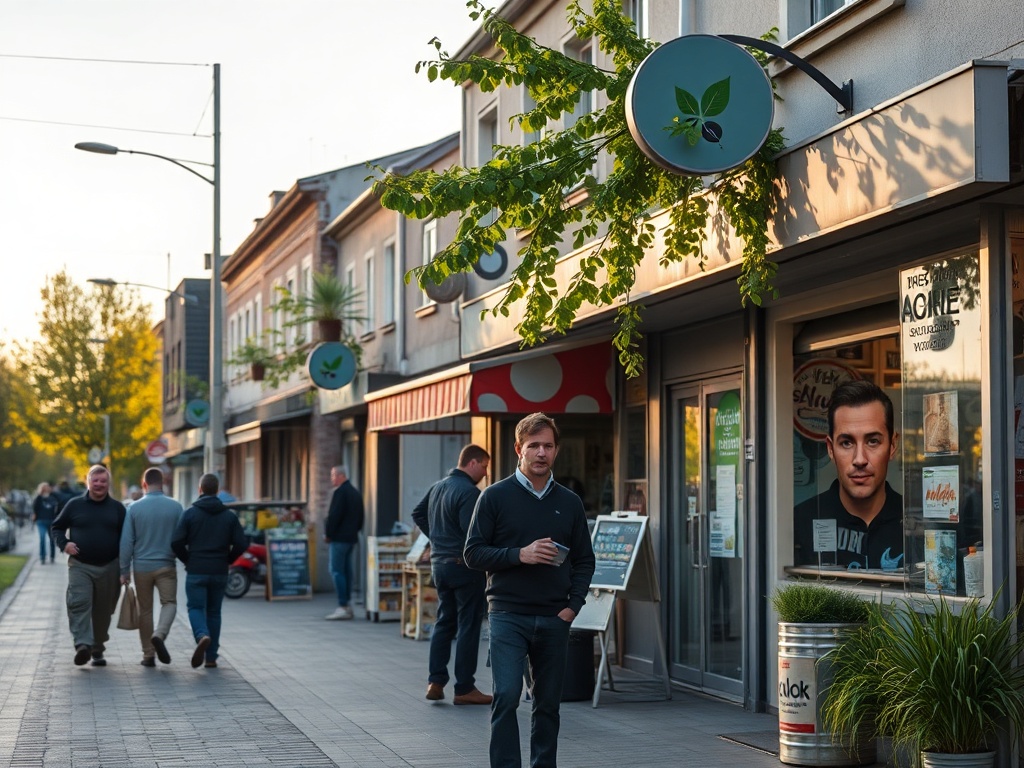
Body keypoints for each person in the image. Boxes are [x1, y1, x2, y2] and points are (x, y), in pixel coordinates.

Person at [464, 413, 595, 768]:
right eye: (534, 445)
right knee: (506, 696)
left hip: (554, 617)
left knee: (548, 704)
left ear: (556, 450)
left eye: (548, 446)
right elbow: (472, 553)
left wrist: (573, 607)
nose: (541, 452)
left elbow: (584, 560)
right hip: (508, 614)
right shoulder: (494, 496)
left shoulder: (569, 502)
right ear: (518, 449)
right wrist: (519, 554)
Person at [793, 380, 904, 571]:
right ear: (830, 449)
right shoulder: (802, 522)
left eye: (873, 441)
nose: (859, 459)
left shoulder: (913, 524)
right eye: (846, 443)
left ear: (892, 446)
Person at [412, 444, 492, 705]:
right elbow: (473, 532)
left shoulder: (438, 487)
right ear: (472, 463)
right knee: (468, 624)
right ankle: (465, 688)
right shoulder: (469, 492)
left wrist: (437, 538)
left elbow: (417, 513)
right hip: (464, 566)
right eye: (484, 466)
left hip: (440, 566)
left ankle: (435, 680)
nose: (485, 473)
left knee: (444, 621)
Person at [51, 465, 126, 667]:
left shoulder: (118, 509)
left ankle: (98, 648)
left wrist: (125, 569)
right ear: (88, 481)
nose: (99, 484)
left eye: (103, 481)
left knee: (103, 611)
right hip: (80, 566)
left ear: (108, 483)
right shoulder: (74, 505)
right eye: (95, 480)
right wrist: (64, 544)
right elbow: (56, 527)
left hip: (110, 566)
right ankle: (82, 645)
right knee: (79, 603)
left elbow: (127, 539)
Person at [171, 473, 247, 669]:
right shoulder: (229, 516)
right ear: (217, 490)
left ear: (200, 490)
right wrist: (228, 559)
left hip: (196, 570)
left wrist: (187, 560)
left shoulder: (189, 514)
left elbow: (176, 541)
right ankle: (211, 657)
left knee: (195, 608)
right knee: (214, 611)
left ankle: (201, 635)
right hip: (219, 571)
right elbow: (241, 543)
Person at [119, 467, 184, 667]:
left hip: (142, 568)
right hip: (166, 565)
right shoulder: (176, 507)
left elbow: (126, 542)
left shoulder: (134, 509)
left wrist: (124, 569)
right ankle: (160, 634)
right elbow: (182, 539)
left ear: (144, 484)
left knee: (145, 611)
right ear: (163, 482)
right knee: (169, 603)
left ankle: (148, 654)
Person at [323, 465, 364, 620]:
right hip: (351, 538)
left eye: (333, 475)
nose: (332, 479)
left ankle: (343, 605)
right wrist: (355, 531)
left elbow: (334, 516)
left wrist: (328, 534)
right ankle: (348, 604)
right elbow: (361, 517)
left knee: (336, 570)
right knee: (347, 571)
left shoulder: (340, 493)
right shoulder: (355, 492)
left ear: (341, 475)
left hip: (339, 538)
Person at [31, 482, 59, 563]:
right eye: (44, 487)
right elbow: (34, 509)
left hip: (51, 521)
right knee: (42, 538)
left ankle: (52, 557)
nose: (46, 489)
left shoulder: (53, 498)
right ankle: (42, 557)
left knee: (52, 539)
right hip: (41, 521)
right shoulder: (38, 498)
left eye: (47, 487)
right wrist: (34, 516)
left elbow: (57, 509)